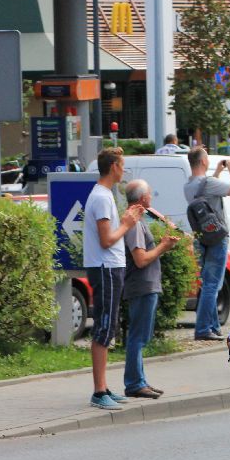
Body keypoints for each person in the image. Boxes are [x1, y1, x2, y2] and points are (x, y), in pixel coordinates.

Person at [84, 147, 144, 409]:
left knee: (108, 328)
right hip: (105, 267)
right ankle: (98, 391)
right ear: (114, 168)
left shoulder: (105, 195)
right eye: (122, 165)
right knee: (104, 327)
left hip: (111, 267)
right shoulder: (101, 197)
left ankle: (104, 387)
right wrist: (127, 223)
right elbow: (107, 239)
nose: (124, 170)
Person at [122, 179, 180, 399]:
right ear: (143, 198)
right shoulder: (134, 224)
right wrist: (163, 247)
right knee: (138, 336)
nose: (152, 197)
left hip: (145, 285)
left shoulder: (137, 220)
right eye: (150, 194)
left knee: (140, 335)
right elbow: (140, 259)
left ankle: (140, 380)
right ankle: (135, 383)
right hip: (142, 285)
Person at [184, 147, 230, 341]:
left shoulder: (189, 185)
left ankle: (214, 326)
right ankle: (203, 329)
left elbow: (207, 194)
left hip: (201, 238)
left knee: (208, 282)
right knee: (212, 285)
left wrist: (218, 172)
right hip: (217, 238)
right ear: (203, 162)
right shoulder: (209, 183)